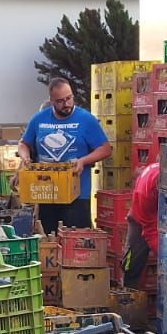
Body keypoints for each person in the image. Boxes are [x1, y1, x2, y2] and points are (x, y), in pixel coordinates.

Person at [17, 76, 111, 233]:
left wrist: (83, 161)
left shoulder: (86, 119)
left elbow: (105, 149)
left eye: (69, 98)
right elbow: (23, 143)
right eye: (61, 101)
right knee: (48, 240)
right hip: (46, 192)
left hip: (77, 195)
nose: (67, 104)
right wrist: (25, 157)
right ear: (51, 100)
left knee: (76, 241)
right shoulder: (39, 119)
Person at [122, 161, 161, 288]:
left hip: (164, 213)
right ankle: (128, 293)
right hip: (140, 219)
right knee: (132, 261)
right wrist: (166, 255)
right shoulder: (145, 194)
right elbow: (150, 230)